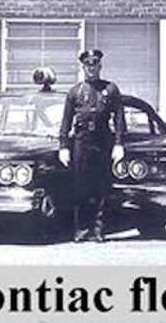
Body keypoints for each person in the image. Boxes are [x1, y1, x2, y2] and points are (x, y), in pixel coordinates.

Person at [59, 49, 125, 243]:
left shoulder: (110, 89)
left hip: (103, 141)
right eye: (88, 65)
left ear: (100, 66)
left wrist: (119, 144)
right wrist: (63, 146)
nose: (91, 68)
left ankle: (98, 229)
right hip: (81, 142)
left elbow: (119, 119)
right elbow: (65, 121)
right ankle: (81, 229)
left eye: (94, 64)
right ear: (83, 67)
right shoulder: (75, 91)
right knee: (80, 187)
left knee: (101, 187)